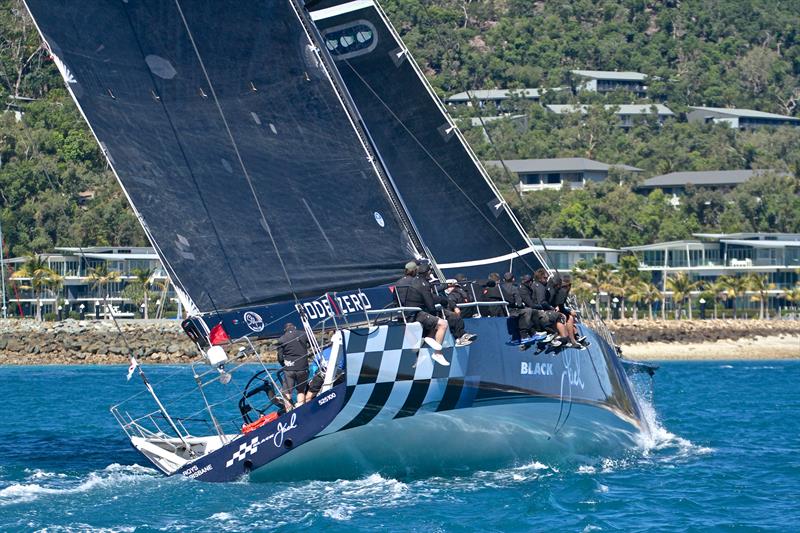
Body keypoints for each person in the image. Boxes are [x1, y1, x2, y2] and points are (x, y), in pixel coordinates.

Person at [395, 261, 450, 366]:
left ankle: (419, 353)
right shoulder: (417, 282)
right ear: (415, 270)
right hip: (417, 312)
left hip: (404, 314)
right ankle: (436, 350)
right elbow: (426, 298)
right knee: (441, 323)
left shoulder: (398, 283)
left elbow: (396, 300)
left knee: (408, 329)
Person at [277, 323, 311, 407]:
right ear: (295, 327)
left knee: (287, 391)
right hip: (302, 367)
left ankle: (288, 410)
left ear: (285, 330)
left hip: (289, 368)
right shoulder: (303, 334)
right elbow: (313, 343)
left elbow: (280, 357)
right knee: (301, 390)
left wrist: (284, 365)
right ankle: (301, 407)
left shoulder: (282, 339)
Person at [501, 272, 536, 339]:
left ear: (503, 280)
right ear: (513, 279)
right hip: (512, 311)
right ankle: (527, 334)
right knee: (528, 310)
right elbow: (519, 304)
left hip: (502, 310)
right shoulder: (515, 288)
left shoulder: (500, 288)